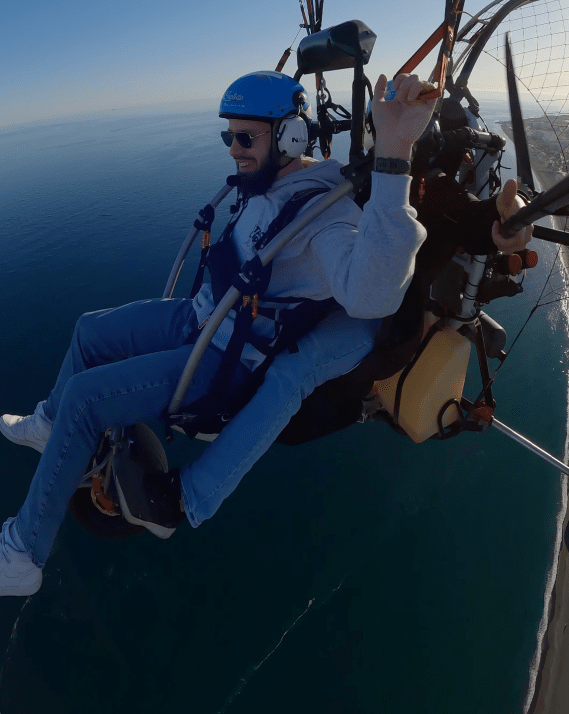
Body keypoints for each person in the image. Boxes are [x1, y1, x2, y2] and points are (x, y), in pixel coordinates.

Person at [0, 70, 531, 597]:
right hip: (201, 318)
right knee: (87, 332)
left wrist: (394, 154)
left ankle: (24, 553)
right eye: (228, 135)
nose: (234, 149)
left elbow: (372, 293)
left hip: (225, 357)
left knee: (87, 399)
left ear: (290, 136)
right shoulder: (274, 183)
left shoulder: (326, 215)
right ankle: (51, 427)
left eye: (245, 137)